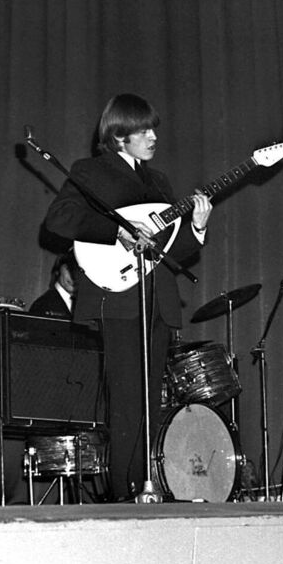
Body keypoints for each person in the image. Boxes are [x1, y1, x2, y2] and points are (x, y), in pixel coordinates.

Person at [44, 93, 212, 501]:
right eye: (144, 130)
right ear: (119, 136)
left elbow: (171, 254)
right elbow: (59, 219)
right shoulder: (92, 171)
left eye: (154, 128)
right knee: (126, 402)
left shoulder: (159, 183)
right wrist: (114, 231)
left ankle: (148, 488)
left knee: (151, 402)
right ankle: (126, 492)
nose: (154, 136)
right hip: (118, 299)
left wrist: (198, 228)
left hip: (156, 299)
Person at [29, 251, 77, 318]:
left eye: (77, 271)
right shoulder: (42, 305)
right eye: (69, 269)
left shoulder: (84, 306)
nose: (73, 276)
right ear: (58, 270)